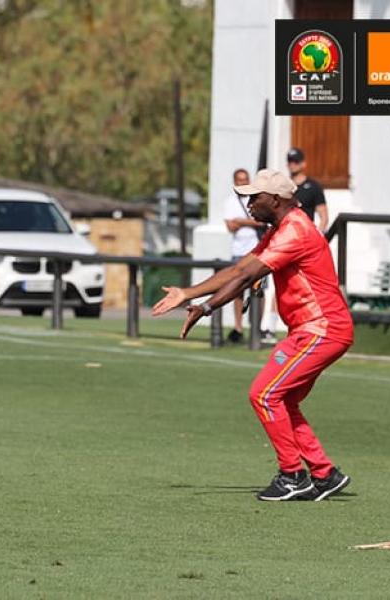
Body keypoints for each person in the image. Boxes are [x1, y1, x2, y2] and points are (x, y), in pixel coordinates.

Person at [153, 169, 352, 502]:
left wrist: (202, 305)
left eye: (254, 197)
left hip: (322, 328)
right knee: (283, 399)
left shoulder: (295, 231)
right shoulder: (280, 229)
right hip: (313, 329)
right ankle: (324, 473)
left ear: (274, 199)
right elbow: (239, 270)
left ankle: (292, 476)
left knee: (264, 395)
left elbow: (244, 275)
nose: (247, 203)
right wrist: (191, 296)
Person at [223, 168, 263, 343]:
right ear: (234, 182)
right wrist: (248, 222)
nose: (242, 183)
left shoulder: (255, 199)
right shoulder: (230, 202)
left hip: (257, 251)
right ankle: (238, 327)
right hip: (238, 251)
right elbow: (230, 227)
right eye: (239, 180)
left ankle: (257, 327)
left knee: (258, 290)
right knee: (236, 291)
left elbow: (261, 221)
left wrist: (240, 221)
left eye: (245, 179)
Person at [287, 147, 328, 232]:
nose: (292, 164)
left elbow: (324, 216)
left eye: (296, 162)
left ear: (303, 163)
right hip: (286, 233)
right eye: (290, 161)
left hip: (306, 233)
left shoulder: (313, 186)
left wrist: (318, 235)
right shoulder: (283, 185)